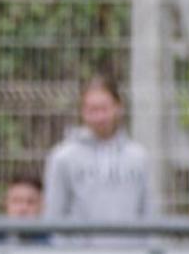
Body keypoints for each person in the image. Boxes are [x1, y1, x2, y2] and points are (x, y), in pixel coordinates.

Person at [41, 73, 155, 224]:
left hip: (130, 248)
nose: (99, 117)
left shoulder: (139, 157)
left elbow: (149, 212)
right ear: (82, 111)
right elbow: (54, 214)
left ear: (118, 108)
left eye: (104, 109)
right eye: (92, 110)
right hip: (81, 248)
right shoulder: (63, 158)